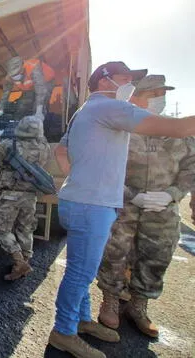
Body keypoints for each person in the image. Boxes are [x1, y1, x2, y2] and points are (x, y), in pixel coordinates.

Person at [51, 61, 195, 358]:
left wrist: (81, 177)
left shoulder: (87, 110)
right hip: (92, 205)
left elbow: (61, 150)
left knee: (82, 268)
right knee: (80, 272)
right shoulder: (109, 107)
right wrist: (91, 184)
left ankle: (82, 321)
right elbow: (179, 127)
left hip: (83, 200)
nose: (130, 83)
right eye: (125, 78)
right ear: (104, 81)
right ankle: (63, 333)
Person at [96, 75, 195, 337]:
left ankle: (139, 306)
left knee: (156, 256)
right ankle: (111, 300)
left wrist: (172, 194)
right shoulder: (123, 128)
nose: (158, 99)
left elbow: (191, 168)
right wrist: (130, 193)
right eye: (153, 94)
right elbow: (107, 165)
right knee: (115, 251)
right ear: (139, 97)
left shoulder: (179, 132)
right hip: (125, 203)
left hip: (162, 208)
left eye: (162, 93)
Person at [0, 115, 50, 280]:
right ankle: (22, 263)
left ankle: (19, 261)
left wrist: (0, 132)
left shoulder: (11, 144)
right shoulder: (44, 147)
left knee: (2, 228)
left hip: (11, 193)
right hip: (31, 195)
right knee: (25, 229)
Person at [0, 56, 55, 121]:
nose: (15, 76)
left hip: (46, 81)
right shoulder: (9, 77)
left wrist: (38, 111)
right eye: (13, 75)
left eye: (17, 73)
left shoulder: (33, 67)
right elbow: (5, 94)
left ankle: (39, 124)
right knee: (22, 104)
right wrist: (1, 111)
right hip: (30, 85)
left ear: (22, 67)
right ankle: (18, 122)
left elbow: (40, 89)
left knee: (39, 106)